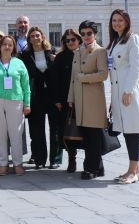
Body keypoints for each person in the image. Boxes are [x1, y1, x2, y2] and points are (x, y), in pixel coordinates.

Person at [0, 36, 31, 176]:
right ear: (0, 47)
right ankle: (3, 163)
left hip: (15, 101)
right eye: (4, 44)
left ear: (13, 48)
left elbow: (26, 86)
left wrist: (27, 103)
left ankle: (18, 163)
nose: (7, 47)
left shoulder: (19, 63)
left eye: (10, 45)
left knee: (16, 134)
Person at [107, 9, 139, 184]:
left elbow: (136, 67)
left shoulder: (133, 39)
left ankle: (132, 172)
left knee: (132, 131)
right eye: (114, 20)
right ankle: (136, 170)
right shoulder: (115, 41)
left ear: (127, 22)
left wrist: (128, 91)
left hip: (128, 92)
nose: (117, 23)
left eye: (120, 20)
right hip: (117, 92)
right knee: (127, 129)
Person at [67, 20, 108, 180]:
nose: (86, 36)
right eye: (83, 33)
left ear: (95, 34)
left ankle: (90, 168)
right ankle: (99, 167)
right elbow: (72, 78)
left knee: (93, 136)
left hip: (93, 101)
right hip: (79, 100)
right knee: (87, 135)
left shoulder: (100, 51)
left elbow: (103, 74)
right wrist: (71, 98)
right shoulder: (77, 51)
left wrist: (84, 78)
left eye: (89, 33)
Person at [20, 27, 58, 169]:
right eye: (32, 36)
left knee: (55, 128)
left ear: (42, 37)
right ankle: (39, 159)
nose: (35, 38)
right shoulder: (25, 55)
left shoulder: (52, 52)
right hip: (35, 95)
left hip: (51, 95)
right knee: (36, 130)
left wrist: (54, 60)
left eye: (37, 35)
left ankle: (55, 159)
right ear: (29, 39)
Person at [48, 28, 83, 173]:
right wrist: (56, 100)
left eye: (73, 39)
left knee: (88, 131)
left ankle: (93, 160)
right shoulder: (61, 57)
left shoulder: (85, 54)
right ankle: (72, 159)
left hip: (84, 99)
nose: (70, 42)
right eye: (67, 40)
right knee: (68, 131)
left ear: (79, 40)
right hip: (65, 100)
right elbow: (54, 81)